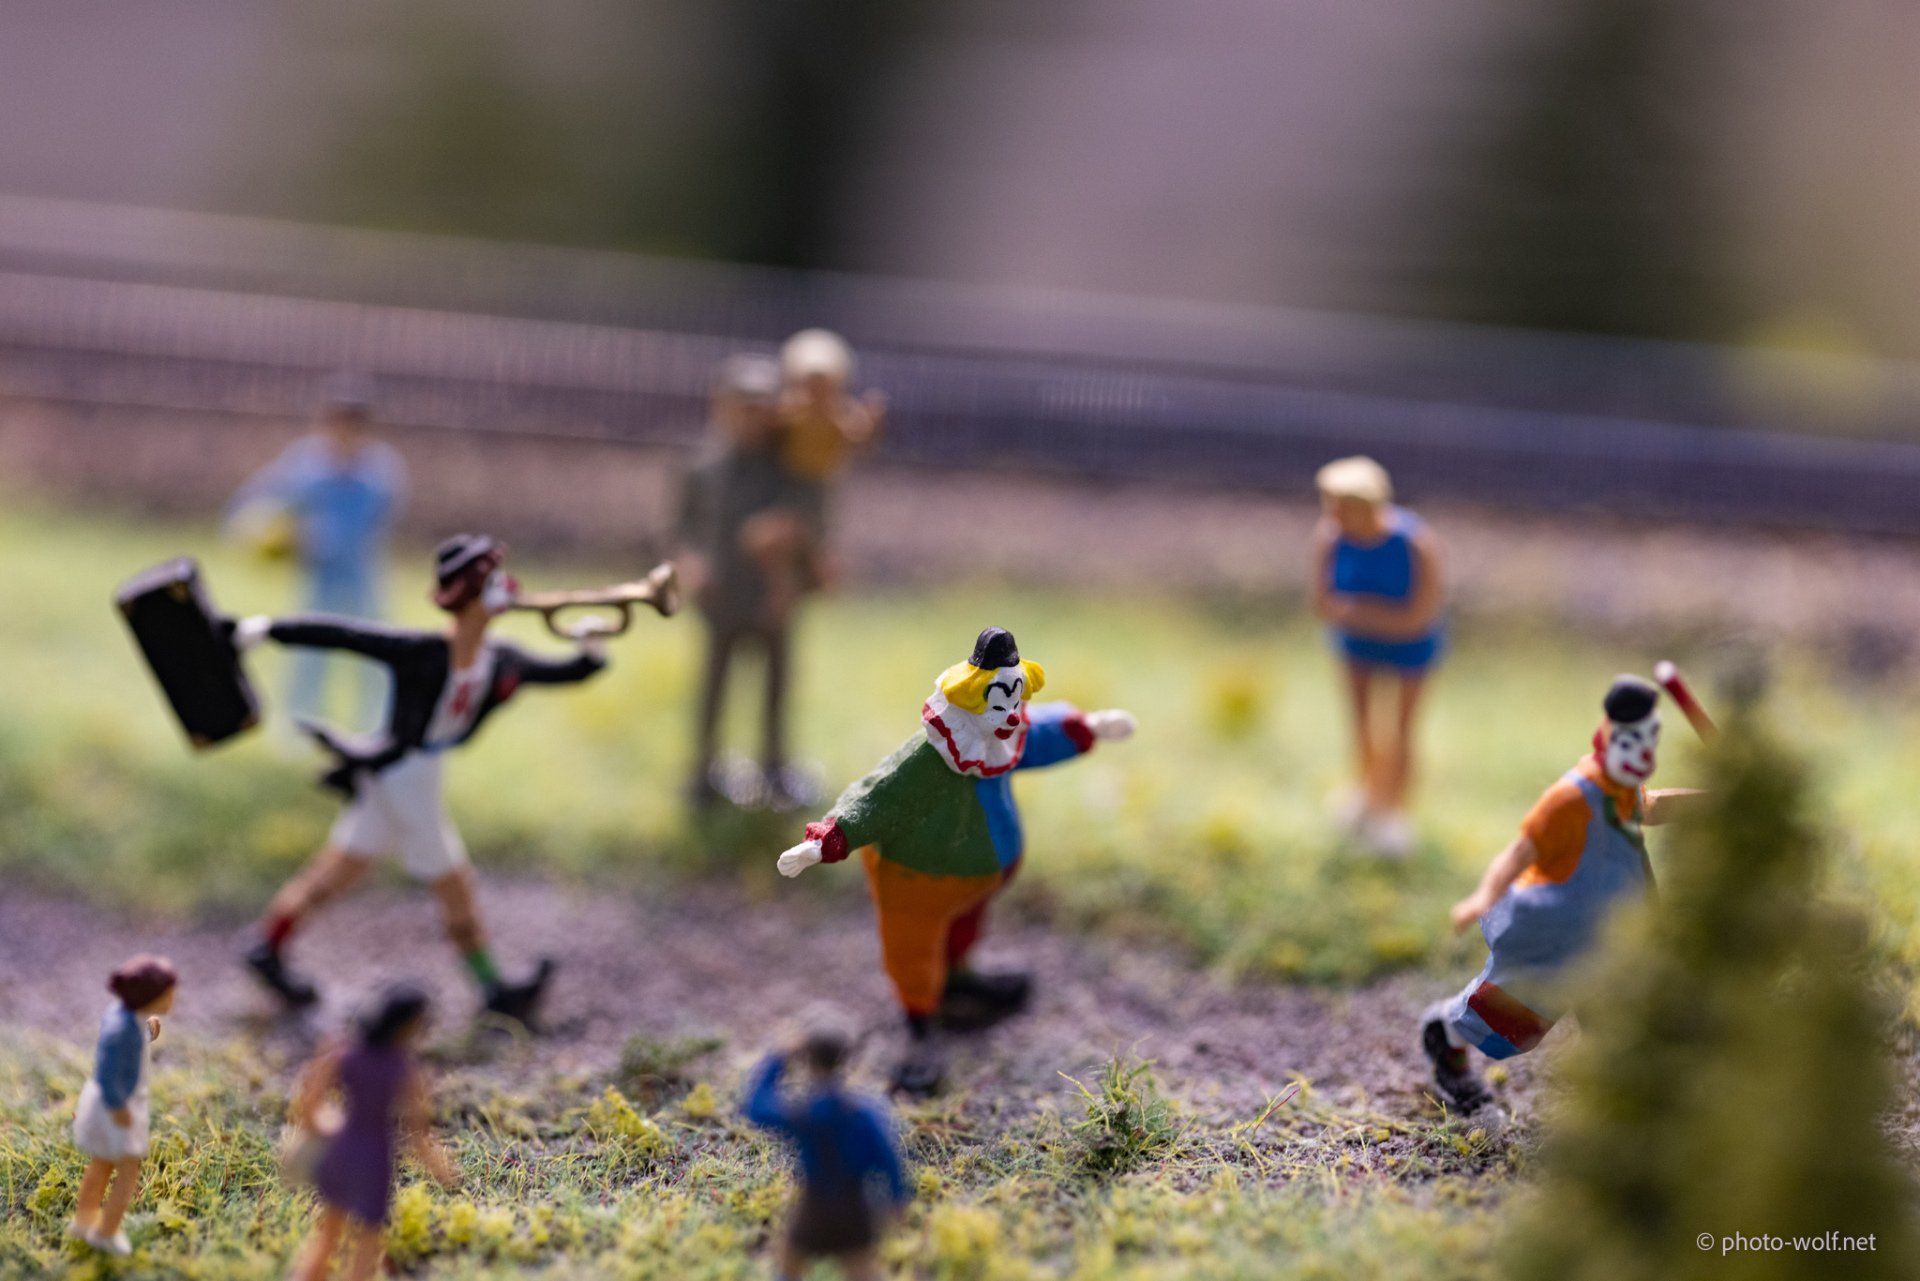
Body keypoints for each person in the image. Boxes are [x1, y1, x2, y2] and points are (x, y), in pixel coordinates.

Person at [232, 534, 608, 1026]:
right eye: (490, 582)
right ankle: (492, 987)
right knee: (454, 882)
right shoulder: (423, 652)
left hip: (416, 771)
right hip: (401, 773)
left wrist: (591, 646)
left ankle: (267, 945)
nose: (507, 588)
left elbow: (566, 672)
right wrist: (266, 630)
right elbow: (346, 635)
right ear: (465, 594)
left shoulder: (501, 660)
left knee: (343, 867)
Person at [777, 627, 1136, 1095]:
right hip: (918, 878)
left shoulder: (1003, 737)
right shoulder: (932, 760)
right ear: (969, 702)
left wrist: (1089, 727)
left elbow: (1040, 732)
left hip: (976, 876)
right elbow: (878, 796)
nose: (1012, 715)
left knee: (963, 927)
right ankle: (918, 1023)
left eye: (1016, 700)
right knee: (914, 949)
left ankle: (958, 978)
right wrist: (827, 840)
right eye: (1000, 704)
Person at [1419, 675, 1705, 1114]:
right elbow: (1521, 851)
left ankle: (1623, 1094)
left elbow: (1649, 807)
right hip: (1560, 931)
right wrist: (1483, 897)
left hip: (1612, 927)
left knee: (1621, 1006)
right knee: (1512, 1016)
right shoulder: (1570, 799)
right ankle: (1445, 1033)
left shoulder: (1622, 788)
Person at [227, 370, 407, 731]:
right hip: (319, 580)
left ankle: (377, 728)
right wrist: (260, 531)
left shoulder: (379, 471)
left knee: (374, 657)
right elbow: (257, 499)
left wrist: (316, 537)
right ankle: (299, 727)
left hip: (360, 578)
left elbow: (369, 526)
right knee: (309, 655)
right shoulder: (306, 463)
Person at [675, 355, 816, 810]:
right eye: (743, 407)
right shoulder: (704, 468)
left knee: (775, 687)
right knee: (714, 686)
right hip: (722, 596)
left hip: (773, 595)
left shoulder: (790, 467)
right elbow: (684, 528)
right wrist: (690, 564)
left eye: (762, 406)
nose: (753, 418)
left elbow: (811, 519)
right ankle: (705, 768)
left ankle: (774, 766)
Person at [1310, 455, 1445, 857]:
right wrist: (1373, 617)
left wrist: (1359, 613)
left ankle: (1394, 809)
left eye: (1343, 507)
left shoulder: (1415, 544)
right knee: (1360, 723)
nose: (1335, 516)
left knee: (1401, 730)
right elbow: (1323, 603)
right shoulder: (1330, 537)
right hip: (1357, 646)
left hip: (1411, 650)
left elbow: (1419, 617)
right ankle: (1366, 793)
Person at [287, 985, 458, 1281]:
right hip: (374, 1161)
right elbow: (419, 1135)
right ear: (407, 1026)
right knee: (366, 1248)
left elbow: (309, 1104)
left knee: (327, 1238)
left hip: (341, 1151)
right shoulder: (404, 1070)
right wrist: (443, 1172)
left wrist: (330, 1128)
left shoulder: (344, 1054)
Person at [742, 1010, 909, 1281]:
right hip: (855, 1205)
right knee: (862, 1270)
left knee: (789, 1263)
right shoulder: (865, 1112)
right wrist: (898, 1198)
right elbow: (888, 1157)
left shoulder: (804, 1112)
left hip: (816, 1204)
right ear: (847, 1058)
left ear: (807, 1059)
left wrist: (777, 1057)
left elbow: (755, 1106)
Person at [68, 955, 178, 1257]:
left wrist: (147, 1029)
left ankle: (84, 1221)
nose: (172, 1000)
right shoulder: (122, 1031)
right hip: (116, 1107)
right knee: (128, 1172)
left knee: (101, 1163)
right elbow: (109, 1069)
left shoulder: (124, 1014)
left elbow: (129, 1047)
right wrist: (118, 1108)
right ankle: (105, 1232)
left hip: (110, 1103)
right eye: (168, 995)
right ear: (149, 997)